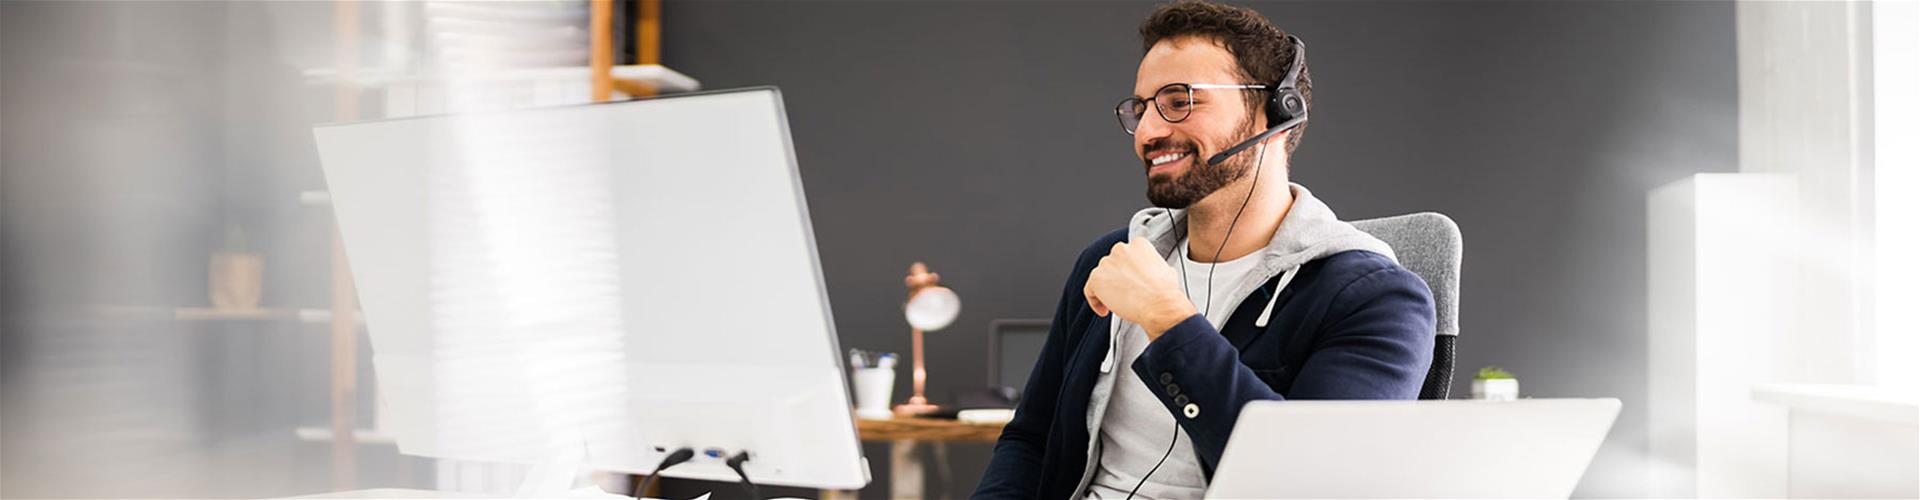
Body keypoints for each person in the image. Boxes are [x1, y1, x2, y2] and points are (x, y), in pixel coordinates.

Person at [971, 1, 1436, 498]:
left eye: (1179, 101)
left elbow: (1312, 484)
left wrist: (1168, 320)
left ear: (1275, 111)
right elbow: (1030, 439)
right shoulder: (1114, 260)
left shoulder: (1376, 300)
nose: (1148, 132)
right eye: (1142, 108)